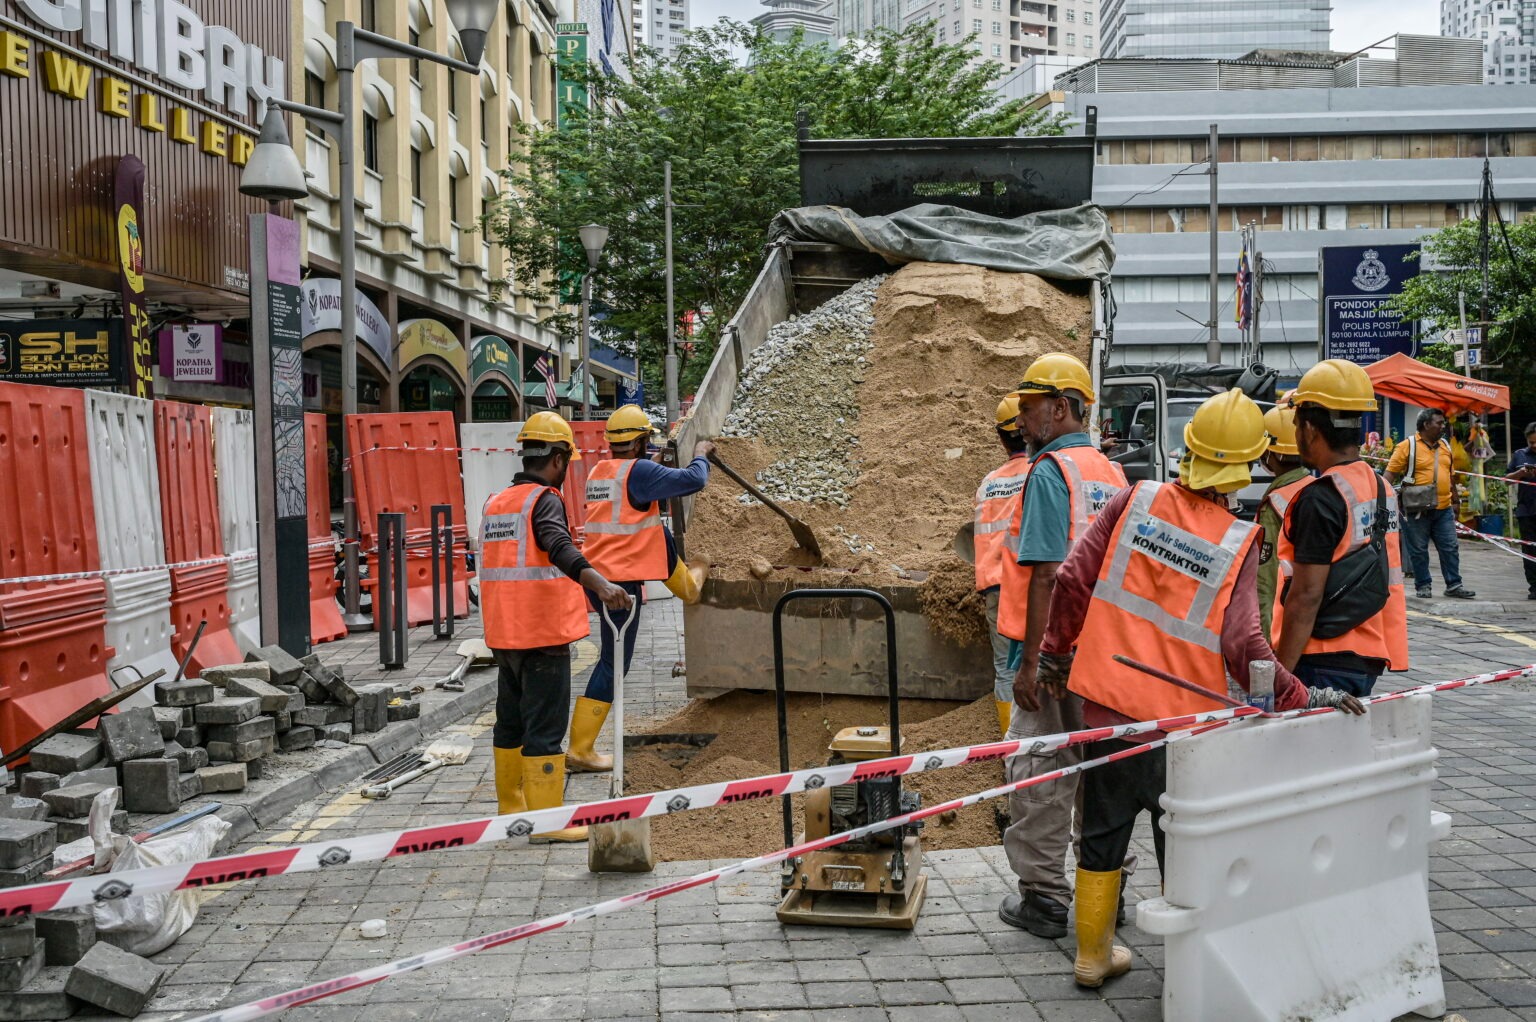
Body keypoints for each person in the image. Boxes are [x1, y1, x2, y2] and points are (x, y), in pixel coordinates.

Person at [1035, 389, 1366, 989]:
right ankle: (1188, 976)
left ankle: (1092, 956)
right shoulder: (1238, 541)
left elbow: (1071, 579)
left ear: (1187, 450)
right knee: (1181, 851)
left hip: (1106, 709)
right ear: (1243, 468)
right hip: (1183, 732)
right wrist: (1303, 696)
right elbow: (1247, 648)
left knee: (1103, 832)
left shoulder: (1133, 501)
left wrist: (1055, 655)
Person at [995, 353, 1128, 939]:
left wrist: (1033, 662)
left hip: (1059, 653)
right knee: (1100, 772)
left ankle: (1045, 900)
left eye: (1029, 407)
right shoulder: (1110, 472)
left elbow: (1046, 574)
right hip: (1103, 653)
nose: (1021, 418)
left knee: (1041, 769)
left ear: (1061, 407)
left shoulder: (1049, 471)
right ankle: (1106, 892)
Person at [480, 412, 632, 842]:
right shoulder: (544, 499)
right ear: (560, 458)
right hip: (541, 635)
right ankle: (547, 824)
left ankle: (512, 809)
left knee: (509, 722)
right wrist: (599, 583)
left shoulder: (498, 502)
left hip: (504, 634)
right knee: (544, 728)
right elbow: (557, 544)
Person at [570, 405, 713, 773]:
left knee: (659, 531)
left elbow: (636, 502)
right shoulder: (642, 471)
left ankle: (689, 586)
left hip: (601, 573)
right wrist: (700, 455)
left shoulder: (603, 471)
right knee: (614, 662)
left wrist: (654, 460)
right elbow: (694, 480)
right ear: (640, 441)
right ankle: (581, 749)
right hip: (618, 585)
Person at [1270, 359, 1409, 697]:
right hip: (1367, 651)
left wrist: (1281, 678)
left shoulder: (1320, 498)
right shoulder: (1379, 487)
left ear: (1311, 429)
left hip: (1321, 655)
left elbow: (1306, 596)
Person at [972, 395, 1032, 737]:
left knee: (1005, 670)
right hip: (1030, 583)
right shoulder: (1045, 471)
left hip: (995, 586)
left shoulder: (988, 483)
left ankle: (1011, 749)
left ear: (1000, 438)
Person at [1385, 408, 1476, 600]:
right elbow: (1389, 474)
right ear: (1426, 425)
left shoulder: (1445, 446)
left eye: (1443, 423)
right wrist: (1384, 499)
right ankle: (1423, 585)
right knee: (1418, 550)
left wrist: (1456, 501)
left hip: (1443, 508)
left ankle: (1454, 584)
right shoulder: (1407, 446)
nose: (1443, 426)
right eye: (1439, 423)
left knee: (1450, 546)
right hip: (1416, 509)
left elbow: (1450, 476)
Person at [1256, 401, 1311, 643]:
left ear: (1271, 452)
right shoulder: (1315, 489)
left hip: (1283, 623)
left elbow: (1265, 581)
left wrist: (1265, 643)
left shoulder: (1276, 502)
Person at [1506, 423, 1536, 600]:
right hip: (1526, 510)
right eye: (1531, 442)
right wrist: (1521, 473)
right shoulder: (1520, 455)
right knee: (1529, 550)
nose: (1534, 445)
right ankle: (1534, 586)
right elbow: (1507, 480)